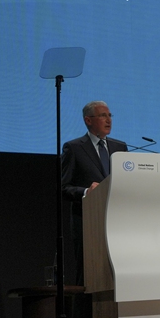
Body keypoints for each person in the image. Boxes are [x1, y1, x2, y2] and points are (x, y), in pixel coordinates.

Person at [61, 101, 128, 283]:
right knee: (88, 278)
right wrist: (86, 192)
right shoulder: (73, 148)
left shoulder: (119, 148)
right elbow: (63, 188)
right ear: (88, 120)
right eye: (103, 116)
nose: (108, 120)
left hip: (117, 221)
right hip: (88, 222)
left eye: (110, 115)